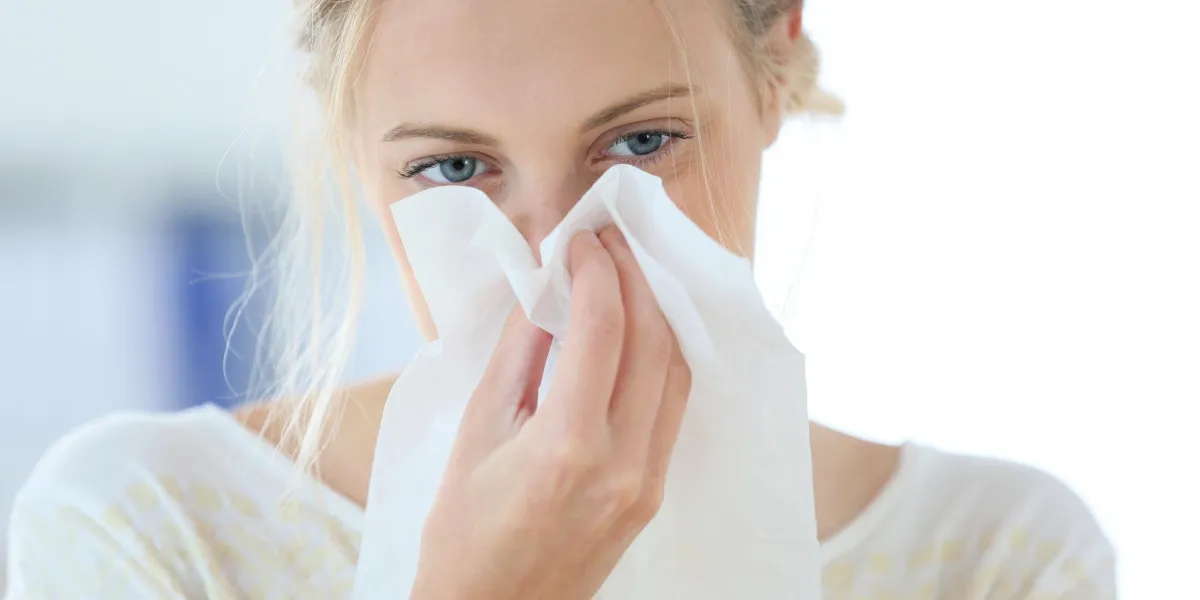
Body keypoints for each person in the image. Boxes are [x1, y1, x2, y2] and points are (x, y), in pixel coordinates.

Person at [4, 0, 1116, 598]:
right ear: (351, 139)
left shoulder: (994, 563)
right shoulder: (151, 539)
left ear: (773, 72)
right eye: (452, 171)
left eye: (641, 143)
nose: (555, 263)